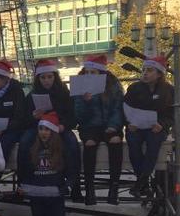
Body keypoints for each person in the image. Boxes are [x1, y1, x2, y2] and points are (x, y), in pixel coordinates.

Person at [24, 59, 82, 201]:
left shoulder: (64, 92)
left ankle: (74, 185)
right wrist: (33, 116)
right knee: (24, 142)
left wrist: (64, 126)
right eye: (43, 77)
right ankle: (24, 181)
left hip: (59, 128)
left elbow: (72, 115)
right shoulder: (32, 94)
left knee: (72, 145)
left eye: (50, 77)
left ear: (55, 77)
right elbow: (24, 117)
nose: (47, 81)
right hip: (39, 128)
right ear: (38, 79)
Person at [73, 54, 125, 205]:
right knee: (89, 144)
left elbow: (118, 108)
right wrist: (86, 102)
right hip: (89, 126)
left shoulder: (113, 85)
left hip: (110, 125)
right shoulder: (80, 87)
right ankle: (90, 189)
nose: (89, 75)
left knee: (115, 142)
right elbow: (79, 115)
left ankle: (114, 188)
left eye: (93, 73)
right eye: (87, 72)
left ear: (101, 73)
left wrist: (113, 126)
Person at [125, 55, 174, 198]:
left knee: (154, 143)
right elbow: (125, 108)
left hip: (157, 127)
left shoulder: (169, 90)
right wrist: (129, 123)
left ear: (159, 74)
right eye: (144, 70)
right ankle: (144, 184)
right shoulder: (134, 88)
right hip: (136, 126)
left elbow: (172, 114)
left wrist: (162, 125)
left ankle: (140, 183)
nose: (145, 73)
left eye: (150, 70)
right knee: (133, 142)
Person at [0, 60, 28, 170]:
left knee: (3, 145)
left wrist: (3, 129)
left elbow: (19, 116)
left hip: (12, 129)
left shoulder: (16, 92)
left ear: (5, 79)